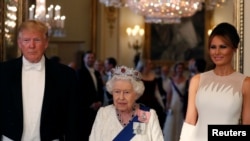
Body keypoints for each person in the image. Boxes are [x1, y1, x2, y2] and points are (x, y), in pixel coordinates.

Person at [0, 20, 80, 140]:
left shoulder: (65, 75)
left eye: (37, 40)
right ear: (19, 43)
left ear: (46, 43)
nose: (31, 45)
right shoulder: (3, 72)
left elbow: (73, 118)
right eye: (26, 40)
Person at [179, 22, 250, 141]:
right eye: (213, 47)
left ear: (234, 49)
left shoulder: (245, 83)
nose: (216, 52)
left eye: (223, 47)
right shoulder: (197, 80)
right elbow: (190, 121)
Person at [89, 66, 164, 141]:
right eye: (117, 92)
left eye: (126, 92)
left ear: (136, 94)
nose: (121, 97)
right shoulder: (103, 114)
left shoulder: (149, 115)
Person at [76, 50, 104, 140]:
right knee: (86, 133)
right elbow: (80, 91)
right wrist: (90, 104)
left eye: (92, 58)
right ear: (84, 59)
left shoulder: (96, 73)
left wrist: (100, 102)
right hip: (86, 110)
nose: (90, 59)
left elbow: (100, 89)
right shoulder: (80, 72)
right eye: (88, 57)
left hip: (97, 109)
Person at [163, 62, 187, 141]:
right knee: (171, 122)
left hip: (181, 104)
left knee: (180, 122)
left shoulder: (186, 80)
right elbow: (169, 94)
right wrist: (167, 104)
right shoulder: (172, 80)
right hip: (173, 104)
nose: (180, 70)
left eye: (181, 68)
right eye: (178, 68)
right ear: (176, 69)